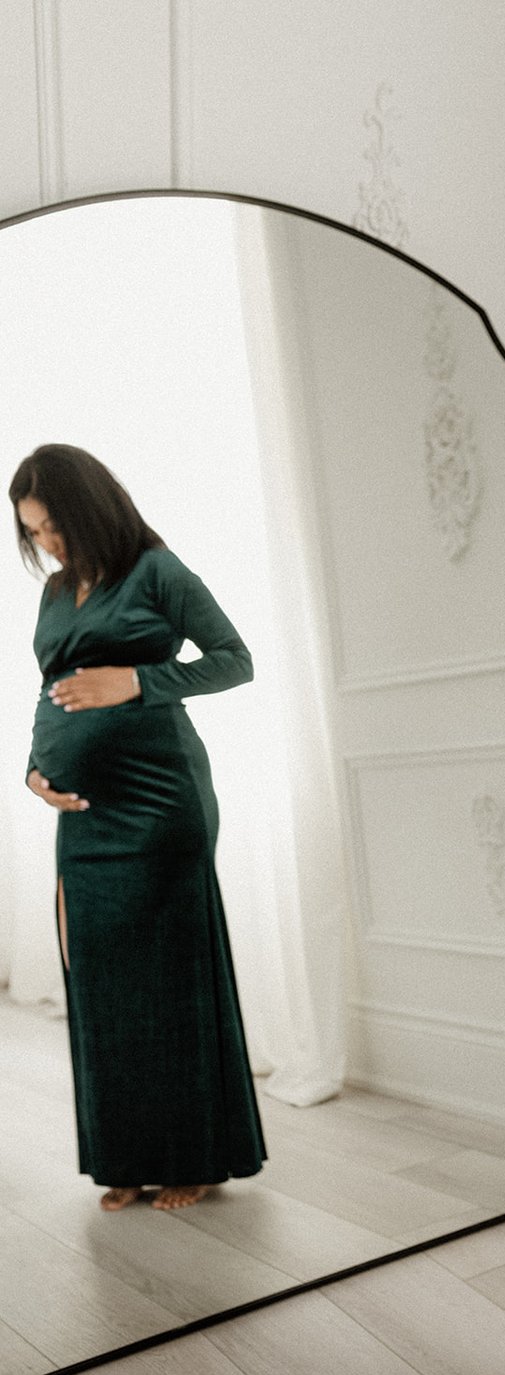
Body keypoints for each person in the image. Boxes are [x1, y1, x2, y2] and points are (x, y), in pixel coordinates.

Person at [11, 443, 266, 1212]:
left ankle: (193, 1158)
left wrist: (138, 680)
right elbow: (51, 687)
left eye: (54, 525)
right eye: (33, 532)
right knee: (97, 977)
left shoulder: (158, 572)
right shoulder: (57, 592)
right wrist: (34, 768)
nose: (48, 544)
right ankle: (123, 1160)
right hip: (84, 815)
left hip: (160, 801)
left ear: (87, 507)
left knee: (166, 977)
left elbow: (235, 659)